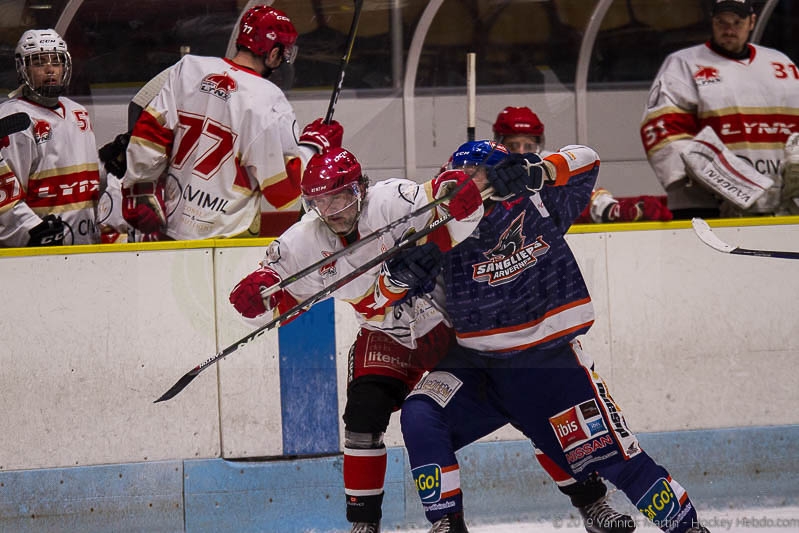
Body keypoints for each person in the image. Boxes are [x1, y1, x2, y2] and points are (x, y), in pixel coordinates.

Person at [398, 141, 710, 533]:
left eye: (475, 175)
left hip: (547, 366)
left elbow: (588, 159)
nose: (463, 185)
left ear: (500, 173)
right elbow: (403, 293)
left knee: (618, 459)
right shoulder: (443, 228)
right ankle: (447, 522)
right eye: (457, 175)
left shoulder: (540, 202)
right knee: (421, 413)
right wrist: (403, 273)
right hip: (474, 368)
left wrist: (540, 170)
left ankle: (686, 527)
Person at [227, 146, 486, 533]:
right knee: (362, 419)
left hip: (444, 323)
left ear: (360, 187)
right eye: (319, 201)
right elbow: (278, 290)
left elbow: (443, 202)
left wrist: (457, 188)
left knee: (444, 417)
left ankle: (450, 519)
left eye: (340, 197)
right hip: (385, 331)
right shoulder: (304, 239)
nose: (332, 211)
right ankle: (364, 525)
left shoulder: (392, 199)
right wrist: (256, 293)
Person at [122, 5, 342, 241]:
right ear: (273, 53)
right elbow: (282, 193)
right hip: (229, 238)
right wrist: (312, 148)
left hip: (173, 230)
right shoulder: (270, 101)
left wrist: (140, 189)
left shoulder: (187, 70)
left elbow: (148, 137)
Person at [640, 0, 799, 219]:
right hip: (704, 206)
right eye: (721, 22)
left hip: (777, 203)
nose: (729, 29)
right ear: (712, 22)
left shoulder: (781, 65)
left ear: (752, 22)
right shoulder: (683, 64)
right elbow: (663, 130)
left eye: (737, 22)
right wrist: (719, 182)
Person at [0, 29, 101, 247]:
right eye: (38, 63)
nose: (50, 69)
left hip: (87, 244)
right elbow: (4, 192)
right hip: (37, 249)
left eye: (56, 62)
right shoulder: (14, 119)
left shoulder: (78, 112)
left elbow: (89, 179)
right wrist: (31, 231)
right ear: (22, 68)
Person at [493, 105, 672, 224]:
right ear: (500, 143)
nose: (522, 152)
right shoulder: (488, 168)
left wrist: (611, 209)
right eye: (514, 145)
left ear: (538, 144)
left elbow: (587, 197)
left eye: (529, 146)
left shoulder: (550, 164)